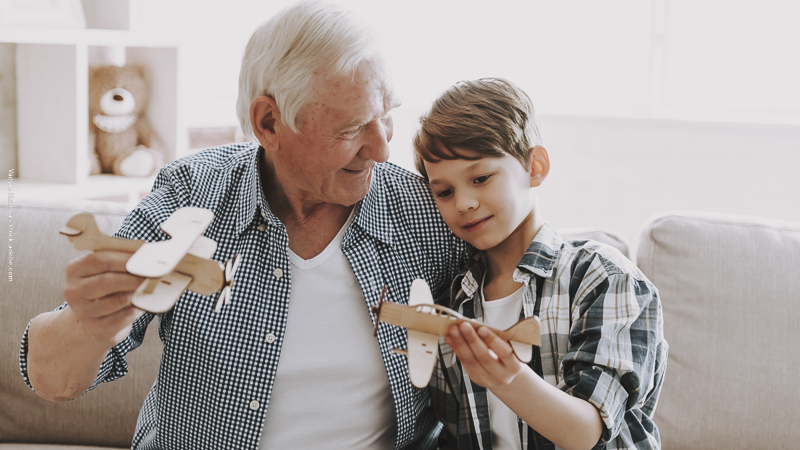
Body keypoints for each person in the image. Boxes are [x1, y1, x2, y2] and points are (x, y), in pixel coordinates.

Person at [19, 2, 471, 449]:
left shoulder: (428, 212)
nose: (380, 148)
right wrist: (87, 325)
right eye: (351, 128)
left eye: (386, 114)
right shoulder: (191, 193)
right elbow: (54, 382)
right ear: (268, 122)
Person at [412, 78, 668, 450]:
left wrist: (506, 376)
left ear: (535, 166)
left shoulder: (602, 277)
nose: (463, 203)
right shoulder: (453, 300)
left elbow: (585, 431)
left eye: (480, 178)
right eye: (444, 192)